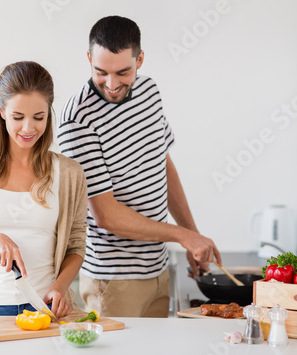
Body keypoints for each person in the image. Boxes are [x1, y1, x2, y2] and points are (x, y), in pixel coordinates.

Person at [57, 16, 222, 318]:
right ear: (89, 59)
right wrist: (183, 236)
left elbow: (163, 164)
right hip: (113, 280)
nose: (112, 84)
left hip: (157, 269)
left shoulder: (149, 92)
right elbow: (106, 216)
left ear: (140, 59)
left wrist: (191, 235)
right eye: (100, 72)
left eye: (123, 72)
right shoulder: (77, 120)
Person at [0, 61, 88, 318]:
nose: (28, 128)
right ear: (1, 111)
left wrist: (60, 288)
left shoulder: (69, 174)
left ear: (49, 113)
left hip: (46, 309)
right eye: (18, 117)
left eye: (39, 117)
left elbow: (76, 246)